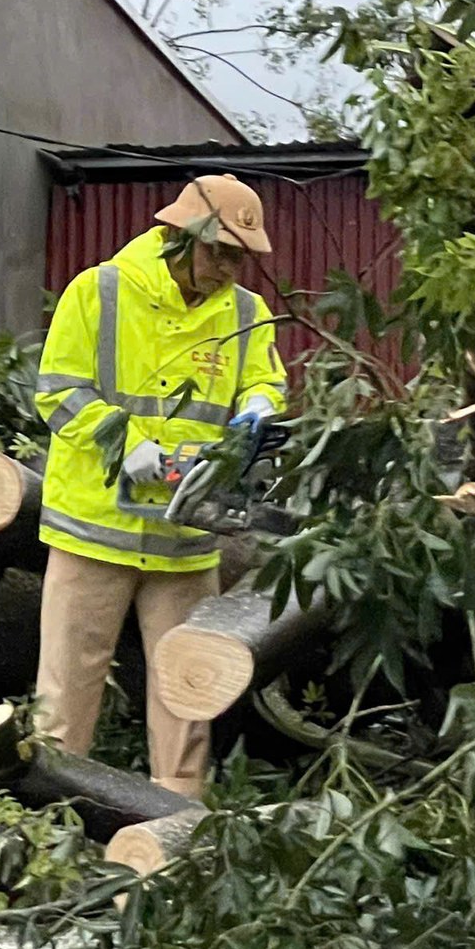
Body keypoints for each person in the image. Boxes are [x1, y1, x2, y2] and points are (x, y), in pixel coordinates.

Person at [33, 175, 286, 797]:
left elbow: (267, 382)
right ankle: (48, 824)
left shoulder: (247, 314)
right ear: (180, 236)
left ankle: (173, 831)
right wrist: (126, 444)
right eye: (218, 252)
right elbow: (58, 391)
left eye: (238, 258)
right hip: (94, 529)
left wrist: (259, 407)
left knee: (188, 698)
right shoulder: (99, 291)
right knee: (64, 698)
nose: (227, 269)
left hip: (186, 537)